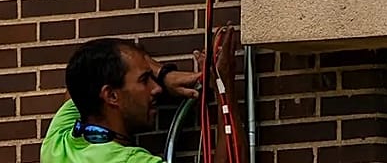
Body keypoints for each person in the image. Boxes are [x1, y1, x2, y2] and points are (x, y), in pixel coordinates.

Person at [42, 31, 243, 163]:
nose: (156, 88)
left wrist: (163, 75)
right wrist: (224, 84)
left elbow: (79, 79)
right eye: (145, 80)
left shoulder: (57, 145)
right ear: (111, 95)